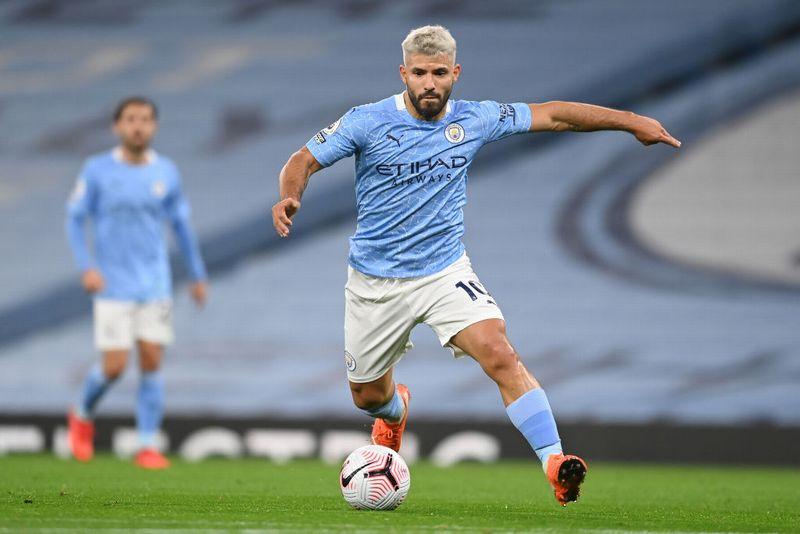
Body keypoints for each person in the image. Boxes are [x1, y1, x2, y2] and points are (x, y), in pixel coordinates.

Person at [272, 25, 680, 505]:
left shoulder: (477, 118)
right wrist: (290, 196)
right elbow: (303, 159)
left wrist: (631, 121)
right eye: (419, 73)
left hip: (444, 272)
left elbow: (554, 115)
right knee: (367, 397)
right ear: (403, 73)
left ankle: (554, 462)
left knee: (499, 352)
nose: (429, 83)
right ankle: (395, 413)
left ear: (456, 73)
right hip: (374, 283)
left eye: (439, 73)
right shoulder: (367, 121)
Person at [65, 96, 208, 470]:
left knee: (151, 362)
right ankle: (82, 413)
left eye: (145, 119)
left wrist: (197, 273)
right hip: (112, 284)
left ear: (154, 126)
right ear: (117, 126)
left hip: (154, 284)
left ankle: (147, 445)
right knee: (114, 367)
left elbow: (181, 226)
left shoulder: (166, 172)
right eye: (130, 119)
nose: (138, 126)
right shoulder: (96, 170)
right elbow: (75, 219)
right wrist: (86, 267)